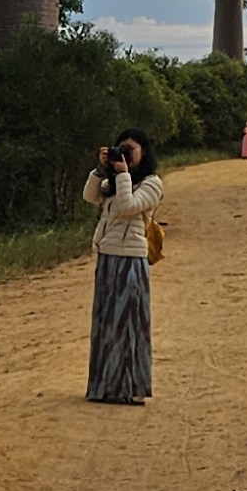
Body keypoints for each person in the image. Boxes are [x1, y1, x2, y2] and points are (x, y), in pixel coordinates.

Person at [82, 133, 168, 405]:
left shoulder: (151, 183)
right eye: (122, 148)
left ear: (145, 152)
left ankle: (129, 388)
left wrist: (122, 174)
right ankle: (104, 387)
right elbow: (90, 196)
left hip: (131, 259)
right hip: (108, 255)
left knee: (129, 325)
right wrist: (101, 169)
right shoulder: (117, 181)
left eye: (131, 149)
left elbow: (128, 206)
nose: (126, 153)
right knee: (106, 325)